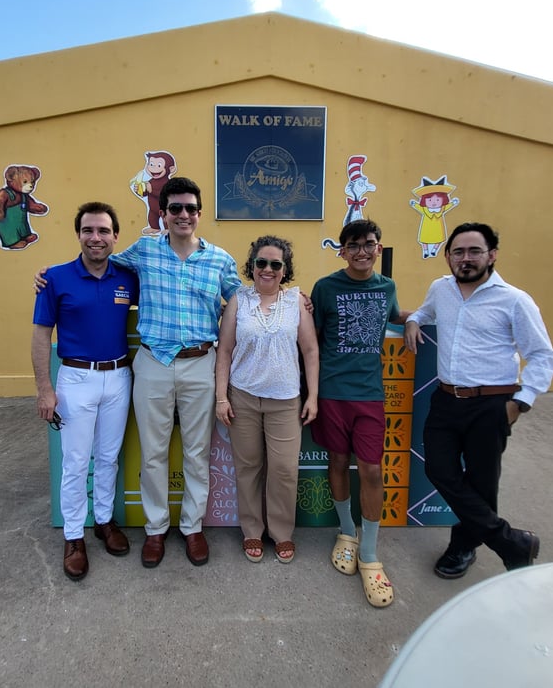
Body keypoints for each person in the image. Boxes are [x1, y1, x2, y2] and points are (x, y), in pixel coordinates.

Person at [404, 222, 553, 578]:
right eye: (458, 252)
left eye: (474, 251)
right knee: (438, 469)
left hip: (492, 404)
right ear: (448, 257)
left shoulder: (515, 300)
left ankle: (462, 549)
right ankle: (512, 543)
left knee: (481, 482)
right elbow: (425, 312)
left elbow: (543, 355)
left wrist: (520, 402)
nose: (466, 259)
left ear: (492, 255)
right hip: (445, 399)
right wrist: (413, 320)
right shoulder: (441, 289)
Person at [108, 177, 241, 568]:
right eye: (176, 208)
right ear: (163, 214)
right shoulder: (145, 251)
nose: (184, 215)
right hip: (153, 362)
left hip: (201, 363)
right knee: (153, 453)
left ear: (199, 213)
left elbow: (244, 301)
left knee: (198, 452)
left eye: (191, 208)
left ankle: (192, 527)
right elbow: (101, 263)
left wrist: (292, 297)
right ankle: (155, 529)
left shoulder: (219, 259)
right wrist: (52, 276)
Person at [31, 202, 139, 581]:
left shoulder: (128, 277)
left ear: (115, 237)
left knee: (108, 457)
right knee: (76, 462)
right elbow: (42, 335)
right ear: (78, 234)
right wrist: (45, 389)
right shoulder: (55, 279)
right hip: (75, 379)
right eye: (89, 231)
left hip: (118, 377)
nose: (96, 238)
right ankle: (74, 536)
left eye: (104, 231)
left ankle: (104, 522)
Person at [310, 219, 408, 608]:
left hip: (369, 394)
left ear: (379, 248)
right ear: (343, 250)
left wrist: (415, 319)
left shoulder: (387, 287)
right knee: (337, 460)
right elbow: (311, 338)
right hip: (332, 392)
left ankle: (369, 552)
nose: (362, 251)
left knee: (370, 469)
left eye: (369, 244)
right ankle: (346, 533)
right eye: (354, 245)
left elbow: (396, 316)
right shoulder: (326, 288)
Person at [215, 236, 319, 564]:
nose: (268, 269)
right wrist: (221, 397)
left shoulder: (296, 303)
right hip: (243, 397)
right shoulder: (238, 300)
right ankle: (251, 531)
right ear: (252, 266)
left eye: (276, 264)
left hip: (286, 400)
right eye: (261, 262)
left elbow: (311, 351)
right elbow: (226, 352)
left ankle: (282, 532)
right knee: (248, 468)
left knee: (285, 470)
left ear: (284, 269)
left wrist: (312, 396)